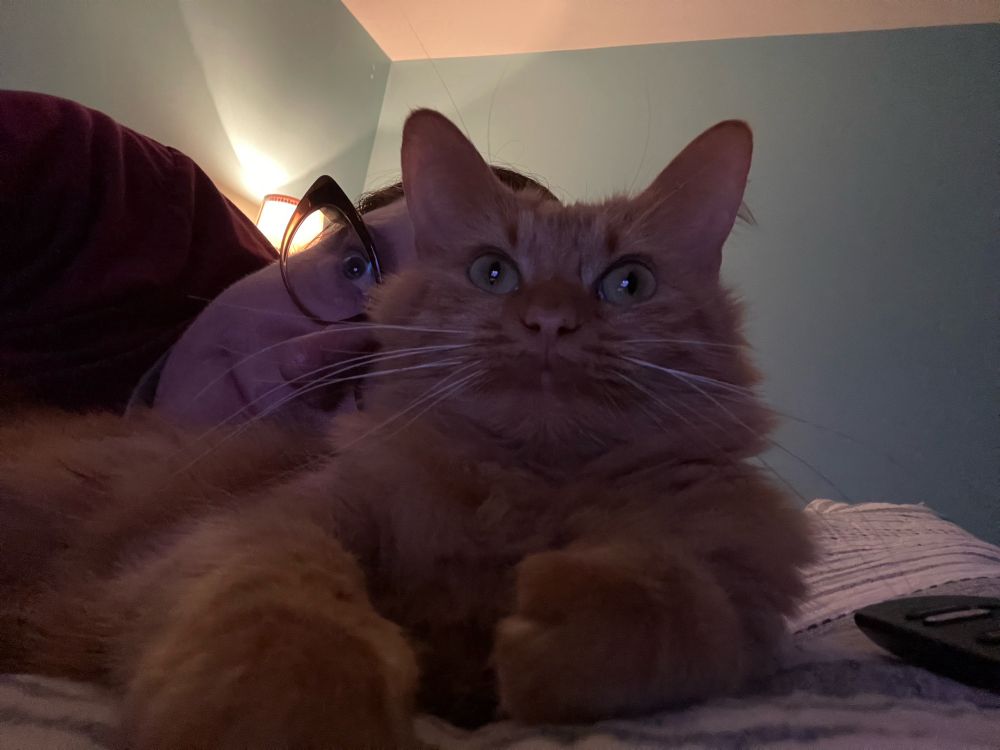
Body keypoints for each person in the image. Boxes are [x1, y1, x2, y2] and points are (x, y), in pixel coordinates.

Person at [0, 90, 554, 428]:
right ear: (321, 237)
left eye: (422, 366)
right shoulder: (114, 196)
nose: (303, 361)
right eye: (355, 267)